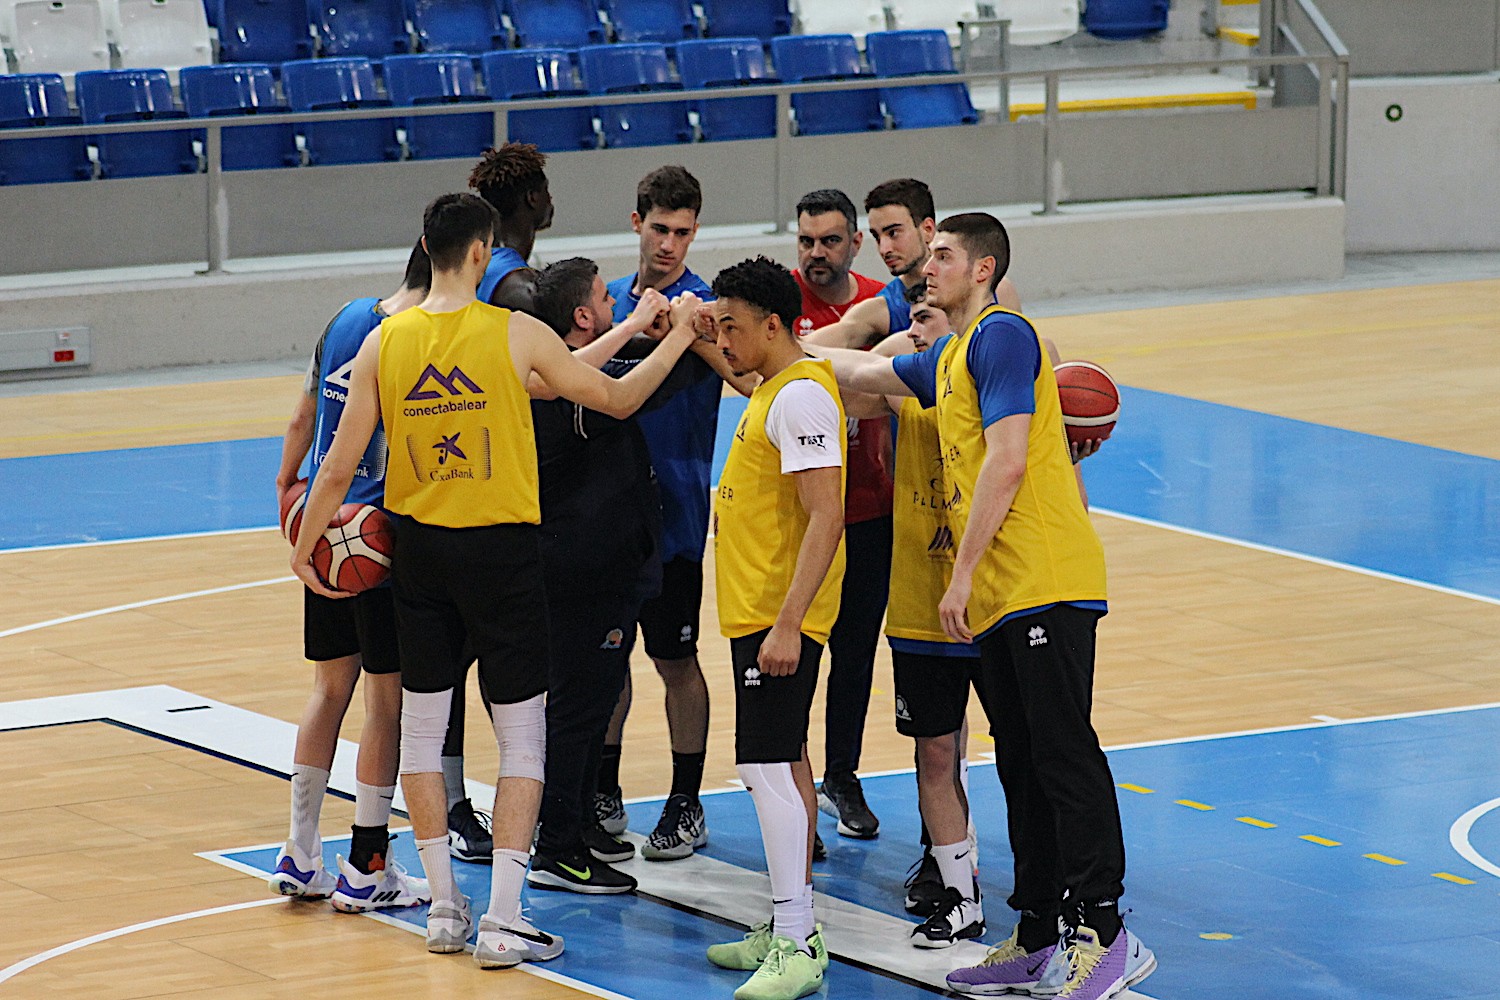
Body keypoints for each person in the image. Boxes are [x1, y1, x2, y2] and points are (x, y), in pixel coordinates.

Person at [289, 193, 701, 968]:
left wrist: (305, 550)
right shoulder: (515, 333)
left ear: (426, 245)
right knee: (521, 736)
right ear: (483, 251)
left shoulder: (387, 339)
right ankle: (506, 919)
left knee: (419, 728)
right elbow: (610, 395)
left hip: (419, 555)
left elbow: (337, 465)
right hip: (503, 558)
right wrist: (675, 337)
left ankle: (445, 907)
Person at [810, 214, 1154, 1000]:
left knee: (1063, 754)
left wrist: (959, 577)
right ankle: (1036, 932)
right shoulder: (954, 354)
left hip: (1044, 579)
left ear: (984, 267)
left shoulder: (1002, 335)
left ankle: (1105, 931)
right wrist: (762, 348)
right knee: (1020, 764)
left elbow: (1005, 461)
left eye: (942, 256)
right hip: (1004, 595)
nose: (927, 267)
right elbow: (861, 376)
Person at [524, 257, 718, 894]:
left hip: (595, 566)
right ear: (583, 317)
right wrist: (681, 333)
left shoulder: (566, 368)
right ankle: (557, 849)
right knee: (578, 711)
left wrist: (645, 324)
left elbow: (608, 361)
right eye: (607, 299)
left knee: (592, 699)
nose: (618, 304)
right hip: (584, 570)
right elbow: (625, 392)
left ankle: (577, 825)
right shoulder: (571, 389)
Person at [267, 241, 432, 916]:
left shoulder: (343, 319)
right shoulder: (418, 338)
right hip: (381, 538)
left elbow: (305, 415)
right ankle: (368, 865)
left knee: (327, 689)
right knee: (385, 704)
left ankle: (299, 852)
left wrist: (288, 485)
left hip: (324, 523)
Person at [596, 165, 752, 862]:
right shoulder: (602, 307)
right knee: (607, 659)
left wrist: (696, 333)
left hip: (678, 518)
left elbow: (750, 378)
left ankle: (686, 800)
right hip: (605, 517)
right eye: (659, 228)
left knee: (676, 659)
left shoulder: (708, 310)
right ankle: (602, 790)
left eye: (683, 231)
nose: (670, 243)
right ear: (637, 223)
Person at [702, 257, 845, 1000]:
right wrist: (699, 335)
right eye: (718, 325)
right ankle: (791, 924)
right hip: (758, 612)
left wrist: (789, 624)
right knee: (781, 761)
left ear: (773, 326)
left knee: (762, 767)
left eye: (732, 326)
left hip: (778, 618)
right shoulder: (773, 391)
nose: (724, 339)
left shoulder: (799, 401)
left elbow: (827, 514)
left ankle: (795, 940)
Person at [440, 141, 555, 865]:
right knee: (501, 669)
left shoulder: (463, 274)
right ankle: (482, 808)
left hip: (448, 477)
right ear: (537, 201)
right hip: (499, 487)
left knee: (448, 665)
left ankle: (452, 804)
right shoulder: (516, 288)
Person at [792, 188, 891, 841]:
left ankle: (842, 778)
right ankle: (791, 789)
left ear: (855, 242)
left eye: (829, 241)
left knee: (855, 654)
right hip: (800, 515)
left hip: (873, 509)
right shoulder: (778, 303)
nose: (816, 253)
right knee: (796, 654)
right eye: (806, 241)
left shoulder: (881, 305)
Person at [805, 177, 1023, 352]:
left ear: (927, 229)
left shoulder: (997, 290)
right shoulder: (882, 308)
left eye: (893, 233)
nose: (884, 248)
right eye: (877, 236)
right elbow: (842, 335)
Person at [473, 142, 555, 310]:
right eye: (545, 190)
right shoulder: (521, 286)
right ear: (532, 198)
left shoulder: (470, 261)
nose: (550, 198)